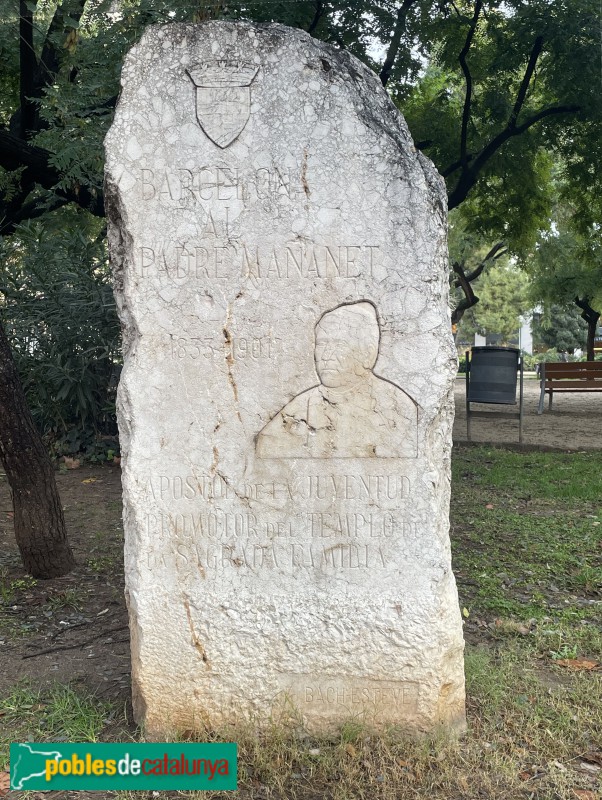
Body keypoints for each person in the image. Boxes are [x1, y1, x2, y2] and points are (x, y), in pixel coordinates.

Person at [256, 302, 417, 459]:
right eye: (322, 344)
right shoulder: (299, 408)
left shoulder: (398, 409)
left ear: (368, 354)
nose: (326, 356)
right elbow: (267, 445)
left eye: (339, 345)